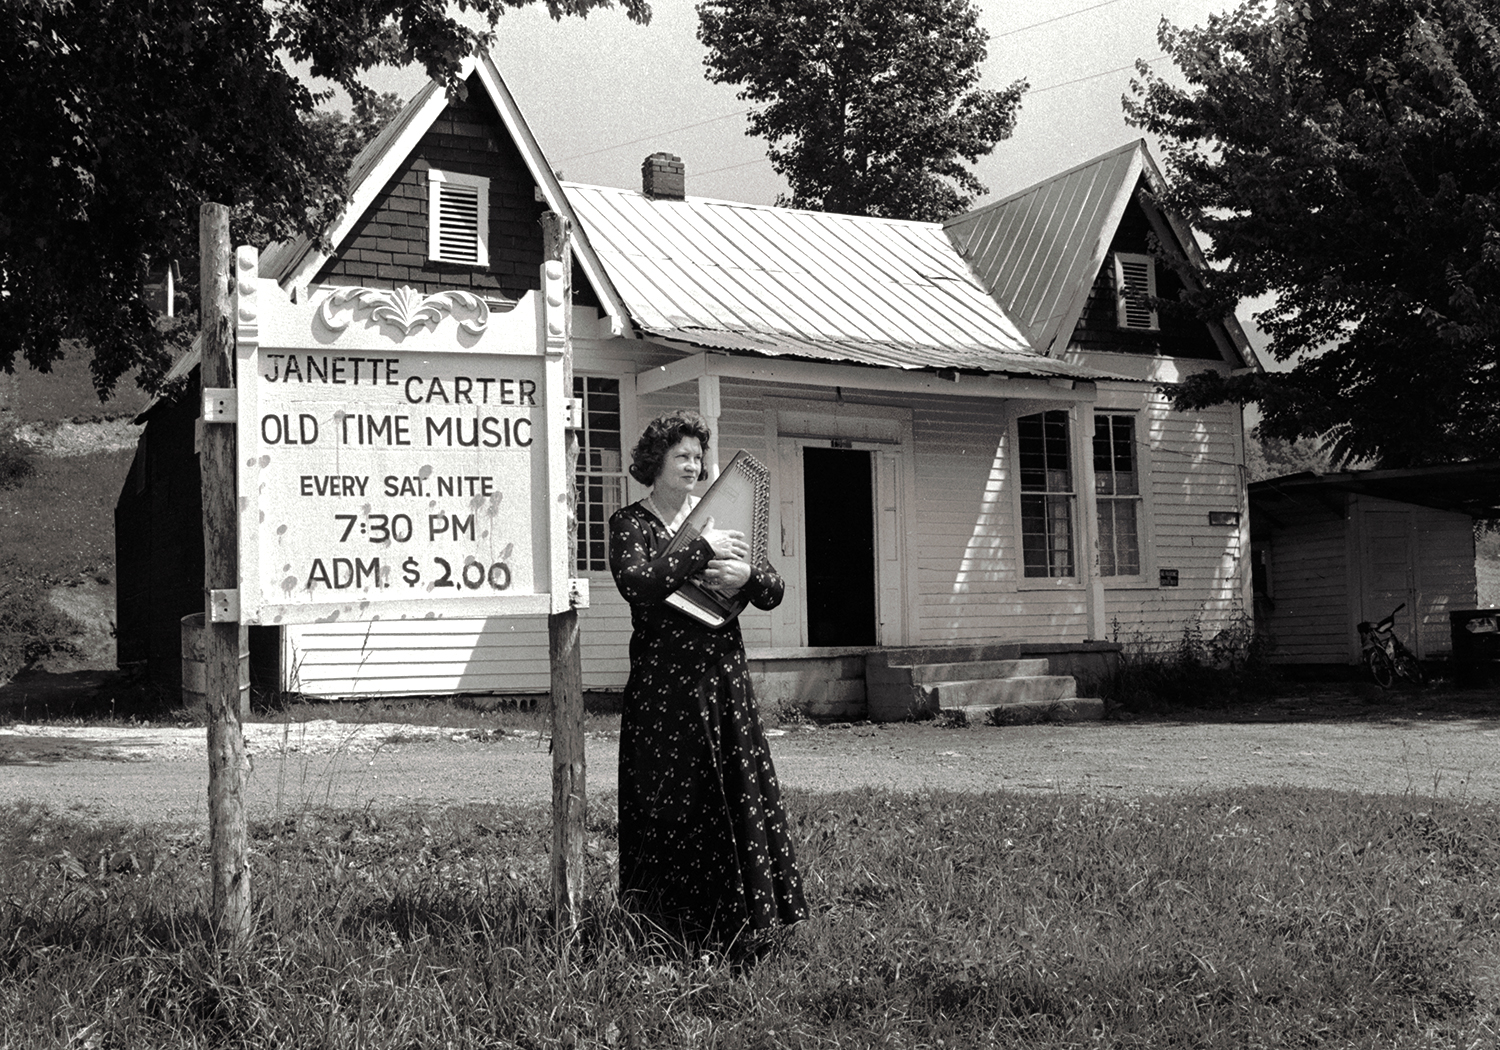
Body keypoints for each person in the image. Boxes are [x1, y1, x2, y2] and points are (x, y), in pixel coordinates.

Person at [608, 410, 808, 955]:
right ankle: (665, 927)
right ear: (656, 463)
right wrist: (702, 548)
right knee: (671, 798)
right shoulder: (632, 523)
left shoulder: (722, 514)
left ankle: (743, 920)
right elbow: (637, 584)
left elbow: (772, 590)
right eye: (682, 456)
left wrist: (747, 574)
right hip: (663, 690)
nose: (693, 466)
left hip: (721, 680)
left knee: (731, 795)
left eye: (699, 457)